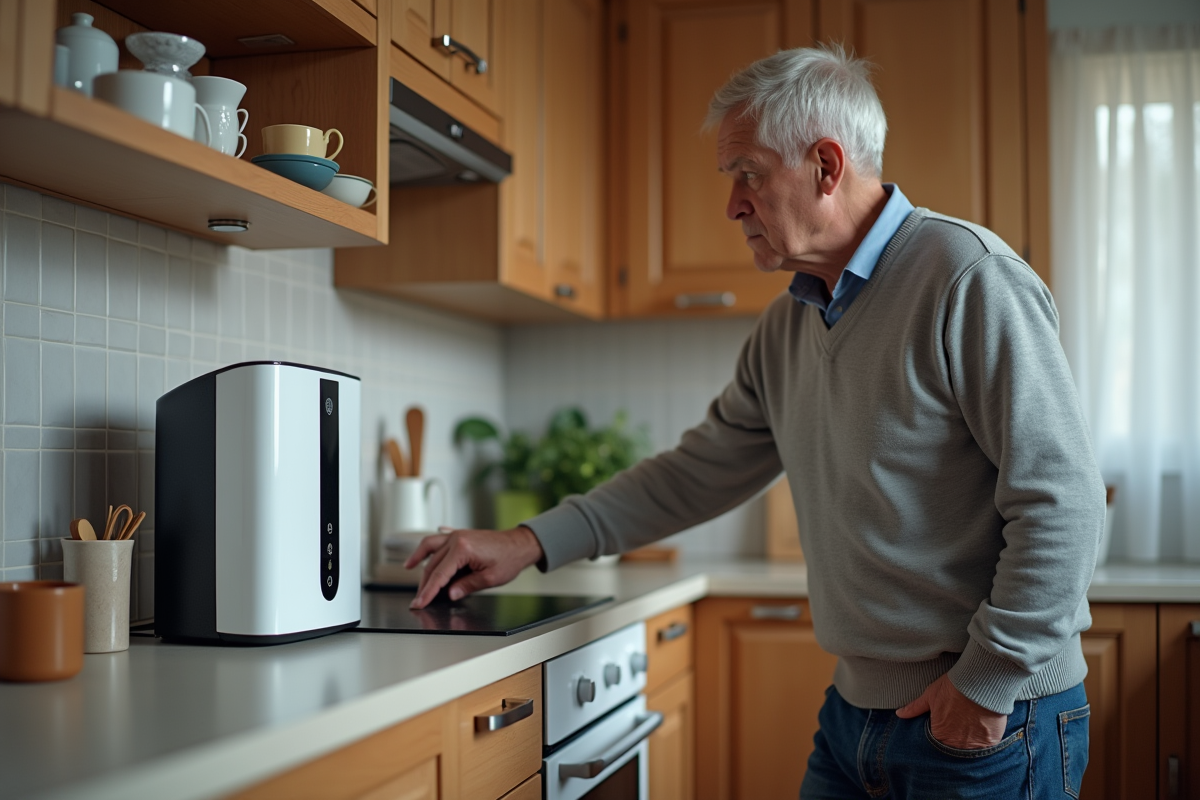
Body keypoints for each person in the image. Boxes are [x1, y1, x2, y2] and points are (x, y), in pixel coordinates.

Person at [407, 44, 1103, 798]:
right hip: (856, 714)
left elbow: (1062, 502)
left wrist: (987, 681)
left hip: (991, 718)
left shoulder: (969, 277)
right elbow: (695, 473)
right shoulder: (787, 326)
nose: (732, 205)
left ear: (826, 166)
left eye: (748, 174)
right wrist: (527, 541)